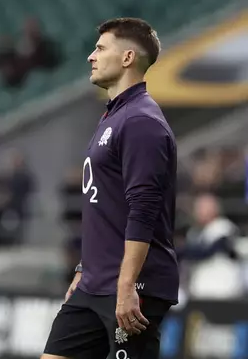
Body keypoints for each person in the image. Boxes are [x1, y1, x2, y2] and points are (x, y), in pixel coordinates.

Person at [41, 18, 179, 359]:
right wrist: (84, 267)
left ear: (128, 58)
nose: (91, 56)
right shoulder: (114, 116)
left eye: (101, 48)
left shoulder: (141, 121)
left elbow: (143, 208)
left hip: (132, 285)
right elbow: (106, 205)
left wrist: (127, 284)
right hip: (94, 282)